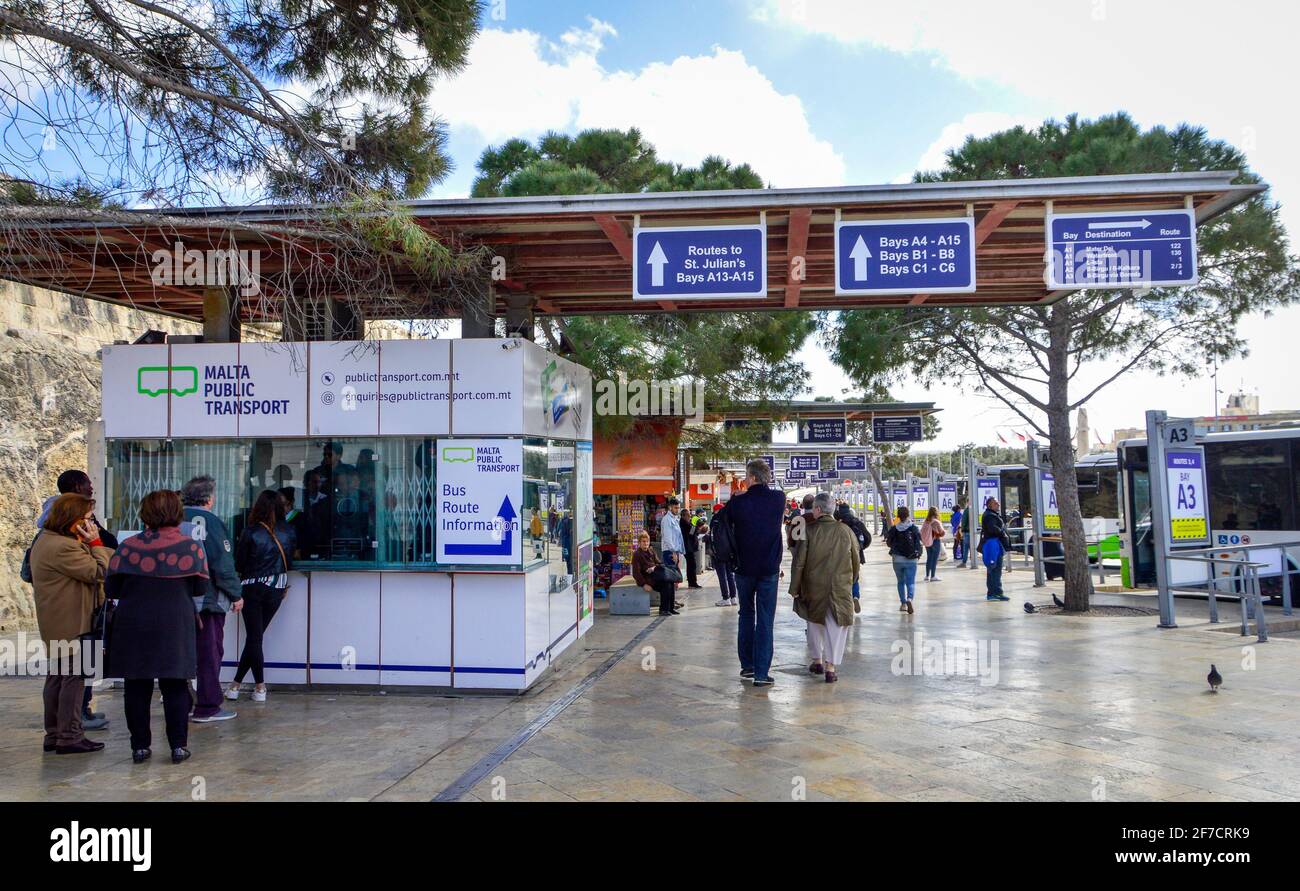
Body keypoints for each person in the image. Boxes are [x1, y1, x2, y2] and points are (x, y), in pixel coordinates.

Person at [104, 490, 208, 765]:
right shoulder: (191, 546)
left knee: (136, 686)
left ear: (145, 513)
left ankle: (139, 747)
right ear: (177, 512)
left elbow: (111, 587)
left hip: (133, 622)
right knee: (174, 685)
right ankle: (177, 746)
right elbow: (200, 586)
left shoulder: (128, 547)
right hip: (175, 622)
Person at [29, 493, 113, 755]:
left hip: (58, 620)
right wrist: (97, 543)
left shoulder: (46, 540)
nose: (92, 525)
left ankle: (54, 733)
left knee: (58, 676)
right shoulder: (64, 547)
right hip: (74, 622)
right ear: (72, 519)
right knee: (74, 678)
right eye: (88, 519)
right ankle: (69, 735)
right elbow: (102, 571)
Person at [181, 476, 243, 723]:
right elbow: (222, 564)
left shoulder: (173, 520)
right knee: (209, 652)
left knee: (182, 652)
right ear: (210, 498)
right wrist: (236, 594)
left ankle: (183, 701)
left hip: (178, 599)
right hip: (208, 599)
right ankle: (208, 705)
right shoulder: (212, 523)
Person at [227, 490, 296, 703]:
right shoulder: (289, 531)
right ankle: (237, 685)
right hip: (278, 587)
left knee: (254, 638)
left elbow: (239, 563)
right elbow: (290, 561)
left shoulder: (251, 531)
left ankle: (259, 686)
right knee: (255, 638)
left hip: (252, 587)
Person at [727, 459, 786, 687]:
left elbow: (724, 523)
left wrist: (737, 497)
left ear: (751, 478)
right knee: (765, 619)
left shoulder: (738, 503)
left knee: (746, 614)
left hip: (743, 568)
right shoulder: (778, 499)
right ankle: (761, 673)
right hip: (769, 569)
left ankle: (747, 666)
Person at [790, 493, 859, 683]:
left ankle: (817, 660)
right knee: (837, 626)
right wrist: (851, 582)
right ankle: (831, 667)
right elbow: (855, 559)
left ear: (818, 509)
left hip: (813, 586)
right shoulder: (846, 531)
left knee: (814, 623)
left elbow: (799, 562)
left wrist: (795, 587)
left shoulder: (809, 531)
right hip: (840, 586)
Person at [884, 506, 922, 614]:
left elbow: (888, 542)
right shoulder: (913, 528)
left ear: (898, 516)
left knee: (900, 582)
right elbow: (919, 542)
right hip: (911, 559)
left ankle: (903, 603)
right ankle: (910, 598)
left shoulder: (894, 528)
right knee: (910, 582)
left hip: (897, 559)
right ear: (908, 515)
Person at [631, 530, 678, 616]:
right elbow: (636, 573)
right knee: (666, 585)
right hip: (648, 579)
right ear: (639, 543)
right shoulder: (637, 554)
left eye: (647, 541)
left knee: (670, 582)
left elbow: (660, 563)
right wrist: (644, 584)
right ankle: (663, 609)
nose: (645, 543)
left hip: (656, 575)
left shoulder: (651, 551)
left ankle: (670, 608)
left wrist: (654, 567)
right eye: (643, 542)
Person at [833, 504, 870, 613]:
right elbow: (868, 537)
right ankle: (855, 597)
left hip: (840, 555)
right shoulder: (856, 522)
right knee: (855, 577)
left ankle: (844, 602)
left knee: (841, 579)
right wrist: (860, 549)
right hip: (856, 555)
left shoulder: (837, 523)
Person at [981, 497, 1011, 601]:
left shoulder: (991, 514)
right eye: (996, 503)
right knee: (995, 569)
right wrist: (1002, 532)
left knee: (994, 569)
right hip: (994, 545)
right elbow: (993, 529)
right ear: (990, 505)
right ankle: (995, 593)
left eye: (998, 503)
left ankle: (994, 593)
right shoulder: (990, 516)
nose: (998, 504)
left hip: (994, 544)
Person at [659, 497, 685, 575]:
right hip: (669, 552)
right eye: (675, 508)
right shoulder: (667, 519)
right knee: (671, 577)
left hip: (675, 551)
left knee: (674, 577)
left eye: (678, 508)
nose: (677, 510)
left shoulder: (674, 519)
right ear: (670, 507)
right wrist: (673, 552)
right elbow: (667, 538)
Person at [920, 506, 946, 582]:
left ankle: (927, 576)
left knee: (929, 558)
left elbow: (921, 532)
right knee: (934, 559)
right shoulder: (936, 522)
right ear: (936, 512)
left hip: (927, 542)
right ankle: (933, 576)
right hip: (935, 541)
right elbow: (942, 532)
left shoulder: (926, 521)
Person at [680, 505, 702, 589]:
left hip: (689, 546)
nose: (689, 517)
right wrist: (696, 527)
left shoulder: (686, 523)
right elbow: (691, 532)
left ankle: (692, 582)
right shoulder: (684, 523)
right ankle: (692, 583)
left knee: (691, 564)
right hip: (687, 547)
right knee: (691, 564)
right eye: (688, 515)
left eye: (689, 515)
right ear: (683, 516)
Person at [951, 497, 967, 564]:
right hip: (960, 530)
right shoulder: (960, 515)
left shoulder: (952, 516)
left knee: (955, 543)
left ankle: (955, 556)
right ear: (958, 509)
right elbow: (962, 522)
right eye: (960, 508)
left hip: (954, 530)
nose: (960, 509)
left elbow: (952, 523)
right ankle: (963, 555)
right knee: (962, 543)